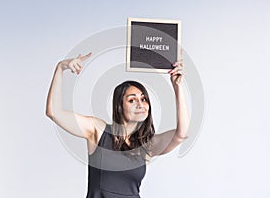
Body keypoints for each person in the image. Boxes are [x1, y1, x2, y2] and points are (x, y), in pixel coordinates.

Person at [46, 52, 190, 198]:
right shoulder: (98, 131)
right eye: (132, 100)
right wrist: (60, 67)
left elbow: (181, 134)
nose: (140, 104)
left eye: (144, 99)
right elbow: (53, 112)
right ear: (119, 106)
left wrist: (178, 87)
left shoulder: (146, 144)